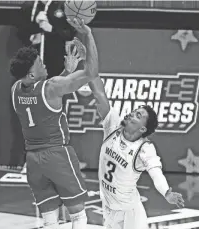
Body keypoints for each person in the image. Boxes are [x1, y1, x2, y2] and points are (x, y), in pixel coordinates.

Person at [10, 18, 98, 229]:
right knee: (78, 216)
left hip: (33, 161)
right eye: (39, 63)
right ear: (32, 73)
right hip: (57, 155)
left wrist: (67, 72)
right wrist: (88, 34)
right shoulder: (51, 87)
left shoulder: (15, 89)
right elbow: (91, 73)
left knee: (50, 221)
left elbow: (45, 95)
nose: (44, 63)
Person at [88, 76, 185, 229]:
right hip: (108, 208)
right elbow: (99, 92)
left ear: (142, 129)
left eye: (138, 116)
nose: (132, 114)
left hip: (130, 214)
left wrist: (166, 192)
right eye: (134, 111)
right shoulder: (112, 125)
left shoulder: (144, 148)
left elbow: (155, 172)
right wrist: (87, 67)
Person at [17, 0, 76, 77]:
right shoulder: (28, 6)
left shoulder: (63, 6)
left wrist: (51, 29)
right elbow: (20, 32)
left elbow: (70, 33)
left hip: (57, 58)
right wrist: (36, 26)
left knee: (55, 84)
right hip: (33, 57)